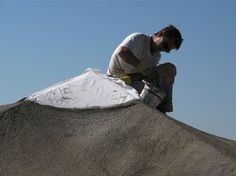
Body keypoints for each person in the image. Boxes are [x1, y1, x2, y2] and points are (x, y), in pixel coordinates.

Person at [106, 25, 183, 113]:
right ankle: (164, 107)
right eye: (165, 45)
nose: (164, 50)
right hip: (116, 79)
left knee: (167, 73)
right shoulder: (139, 38)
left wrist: (145, 74)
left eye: (167, 50)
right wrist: (143, 68)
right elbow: (122, 52)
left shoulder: (156, 56)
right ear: (161, 34)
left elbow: (140, 76)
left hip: (130, 81)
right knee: (169, 68)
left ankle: (159, 108)